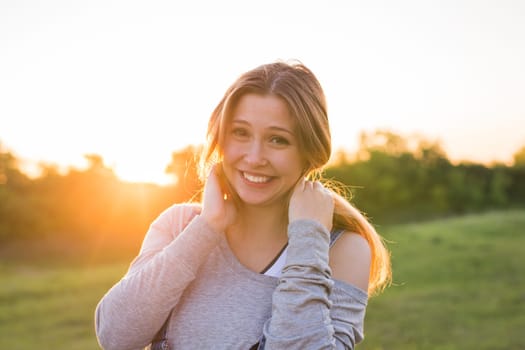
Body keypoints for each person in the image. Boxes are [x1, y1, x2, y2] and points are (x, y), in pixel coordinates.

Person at [95, 60, 391, 349]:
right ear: (220, 139)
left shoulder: (340, 249)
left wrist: (307, 241)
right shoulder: (178, 225)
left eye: (278, 139)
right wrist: (206, 228)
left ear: (310, 152)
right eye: (241, 133)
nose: (254, 157)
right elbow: (115, 336)